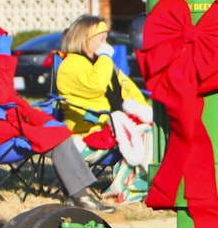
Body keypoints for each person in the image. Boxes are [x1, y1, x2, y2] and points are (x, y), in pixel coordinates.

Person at [0, 17, 115, 212]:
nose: (0, 49)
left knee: (58, 131)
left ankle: (75, 193)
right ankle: (80, 196)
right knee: (59, 139)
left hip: (1, 126)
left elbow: (14, 100)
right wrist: (3, 59)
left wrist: (43, 120)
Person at [56, 15, 153, 204]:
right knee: (146, 133)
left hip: (110, 125)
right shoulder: (71, 65)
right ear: (85, 40)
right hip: (89, 130)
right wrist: (106, 58)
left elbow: (128, 89)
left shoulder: (101, 63)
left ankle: (139, 184)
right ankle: (129, 188)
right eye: (101, 39)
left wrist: (143, 112)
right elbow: (96, 85)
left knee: (152, 128)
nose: (105, 44)